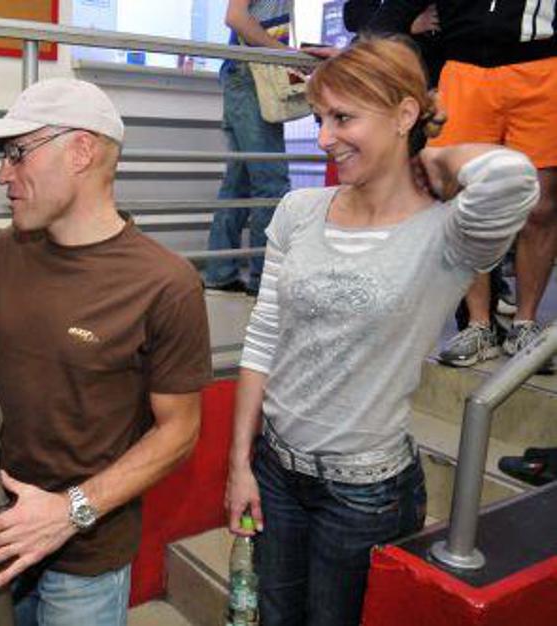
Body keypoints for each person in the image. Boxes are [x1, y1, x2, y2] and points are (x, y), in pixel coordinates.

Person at [224, 37, 538, 626]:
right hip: (275, 471)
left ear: (404, 114)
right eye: (320, 118)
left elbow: (512, 178)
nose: (324, 138)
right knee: (273, 616)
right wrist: (240, 463)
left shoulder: (448, 233)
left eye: (343, 118)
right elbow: (263, 338)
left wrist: (436, 159)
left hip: (365, 496)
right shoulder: (299, 209)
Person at [0, 78, 212, 626]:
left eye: (17, 153)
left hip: (87, 558)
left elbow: (179, 432)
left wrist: (69, 512)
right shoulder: (8, 249)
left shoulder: (166, 285)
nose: (2, 174)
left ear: (81, 151)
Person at [367, 0, 557, 372]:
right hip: (462, 71)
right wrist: (367, 49)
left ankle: (525, 323)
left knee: (541, 206)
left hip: (542, 69)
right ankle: (478, 325)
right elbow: (385, 14)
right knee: (462, 201)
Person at [204, 0, 333, 295]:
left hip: (245, 74)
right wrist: (286, 54)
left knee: (239, 183)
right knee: (271, 182)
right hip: (251, 75)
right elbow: (236, 17)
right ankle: (263, 279)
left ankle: (220, 273)